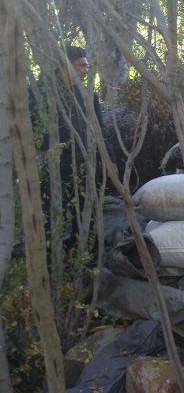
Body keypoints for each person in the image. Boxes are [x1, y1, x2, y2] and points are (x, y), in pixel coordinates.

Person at [29, 44, 113, 246]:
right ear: (64, 65)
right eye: (81, 66)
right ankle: (51, 260)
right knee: (52, 214)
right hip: (53, 165)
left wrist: (108, 160)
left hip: (85, 164)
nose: (85, 71)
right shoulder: (40, 93)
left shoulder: (87, 95)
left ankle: (83, 256)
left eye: (86, 66)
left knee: (86, 213)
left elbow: (98, 130)